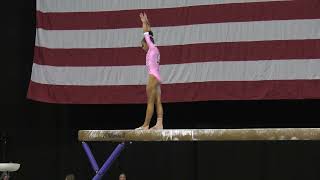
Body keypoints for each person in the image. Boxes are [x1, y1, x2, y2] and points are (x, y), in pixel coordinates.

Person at [136, 13, 164, 130]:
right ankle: (159, 124)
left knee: (150, 102)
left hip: (153, 76)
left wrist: (143, 22)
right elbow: (150, 33)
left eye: (142, 45)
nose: (142, 47)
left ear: (147, 42)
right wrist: (147, 22)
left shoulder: (151, 47)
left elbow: (147, 33)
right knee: (157, 101)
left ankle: (146, 125)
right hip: (158, 77)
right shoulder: (155, 48)